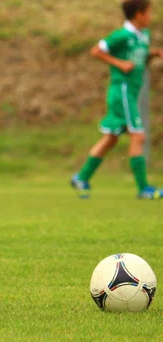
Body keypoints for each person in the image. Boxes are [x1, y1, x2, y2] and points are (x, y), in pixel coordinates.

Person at [71, 0, 163, 199]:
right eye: (149, 13)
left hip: (129, 92)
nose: (151, 17)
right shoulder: (121, 35)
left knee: (111, 138)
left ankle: (82, 177)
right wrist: (118, 63)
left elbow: (138, 58)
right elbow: (96, 51)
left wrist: (153, 54)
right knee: (138, 136)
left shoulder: (143, 36)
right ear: (139, 14)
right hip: (122, 90)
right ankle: (143, 188)